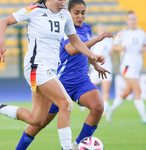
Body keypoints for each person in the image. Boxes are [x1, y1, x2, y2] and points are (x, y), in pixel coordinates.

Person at [0, 0, 104, 149]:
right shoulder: (33, 10)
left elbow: (76, 41)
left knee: (36, 119)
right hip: (36, 67)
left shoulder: (64, 14)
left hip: (50, 71)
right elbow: (3, 22)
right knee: (66, 104)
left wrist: (92, 56)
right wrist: (0, 42)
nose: (63, 2)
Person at [14, 0, 113, 149]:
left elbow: (83, 53)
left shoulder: (86, 28)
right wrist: (98, 39)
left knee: (98, 106)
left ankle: (75, 146)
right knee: (39, 123)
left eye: (83, 13)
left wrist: (94, 63)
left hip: (81, 80)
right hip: (61, 81)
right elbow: (71, 49)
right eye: (76, 13)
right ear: (68, 12)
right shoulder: (61, 25)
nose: (80, 16)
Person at [106, 10, 146, 124]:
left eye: (134, 19)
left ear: (136, 20)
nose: (132, 21)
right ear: (127, 21)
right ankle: (144, 118)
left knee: (126, 92)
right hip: (127, 66)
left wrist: (143, 49)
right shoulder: (122, 33)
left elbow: (144, 46)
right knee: (138, 90)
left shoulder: (141, 33)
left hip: (137, 66)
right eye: (130, 19)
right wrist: (120, 48)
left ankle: (111, 109)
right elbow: (114, 47)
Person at [89, 23, 113, 115]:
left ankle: (105, 110)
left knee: (105, 89)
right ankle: (92, 106)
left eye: (104, 30)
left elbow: (110, 51)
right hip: (95, 67)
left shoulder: (108, 41)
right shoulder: (93, 40)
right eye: (101, 30)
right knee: (93, 90)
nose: (102, 31)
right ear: (98, 31)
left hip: (106, 66)